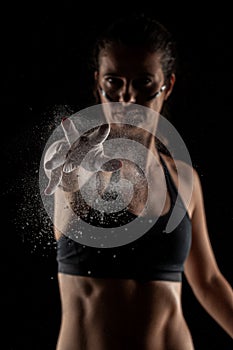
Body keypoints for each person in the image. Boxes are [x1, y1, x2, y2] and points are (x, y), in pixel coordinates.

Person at [42, 13, 233, 350]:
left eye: (143, 82)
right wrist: (72, 173)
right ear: (98, 82)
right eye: (114, 81)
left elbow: (208, 281)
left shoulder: (182, 178)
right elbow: (64, 214)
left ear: (166, 85)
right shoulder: (74, 162)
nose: (127, 97)